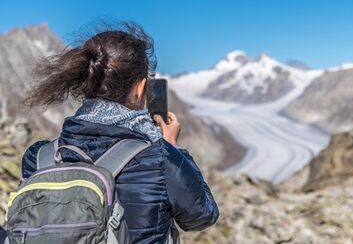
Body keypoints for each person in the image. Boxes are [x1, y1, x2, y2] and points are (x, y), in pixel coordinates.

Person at [21, 22, 219, 244]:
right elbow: (202, 216)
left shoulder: (38, 158)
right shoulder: (160, 159)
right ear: (140, 88)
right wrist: (172, 147)